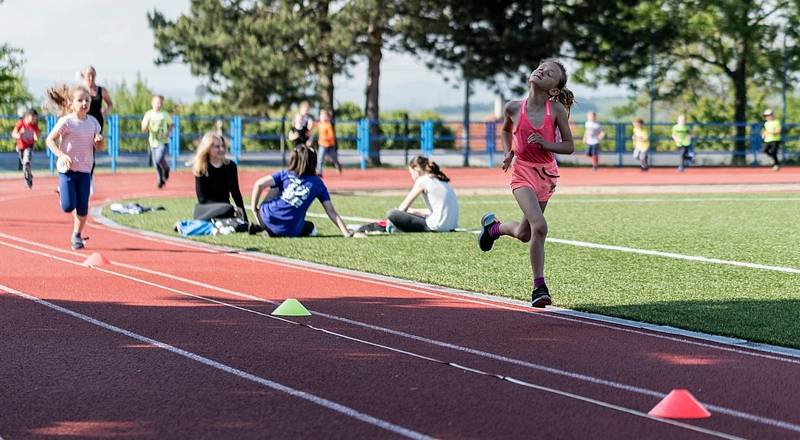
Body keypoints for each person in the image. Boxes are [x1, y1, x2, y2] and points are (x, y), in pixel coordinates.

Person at [477, 59, 575, 308]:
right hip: (522, 173)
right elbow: (505, 131)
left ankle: (493, 229)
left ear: (553, 90)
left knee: (525, 234)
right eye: (541, 67)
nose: (542, 70)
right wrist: (508, 152)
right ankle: (539, 287)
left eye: (550, 72)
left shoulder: (556, 111)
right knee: (540, 226)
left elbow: (569, 146)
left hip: (547, 176)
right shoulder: (513, 107)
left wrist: (545, 144)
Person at [45, 85, 104, 249]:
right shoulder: (66, 121)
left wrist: (99, 142)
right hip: (67, 170)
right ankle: (63, 193)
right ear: (71, 103)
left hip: (85, 170)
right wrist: (61, 155)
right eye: (80, 100)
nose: (84, 103)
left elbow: (99, 147)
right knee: (68, 206)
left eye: (87, 100)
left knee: (83, 207)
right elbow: (49, 140)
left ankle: (76, 235)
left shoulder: (93, 123)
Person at [249, 145, 351, 238]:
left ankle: (263, 227)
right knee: (309, 227)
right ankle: (272, 230)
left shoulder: (284, 174)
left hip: (266, 219)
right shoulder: (318, 183)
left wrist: (254, 209)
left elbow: (259, 184)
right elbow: (331, 211)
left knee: (275, 186)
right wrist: (346, 232)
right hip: (291, 230)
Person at [386, 156, 458, 233]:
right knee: (411, 214)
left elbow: (403, 207)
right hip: (451, 226)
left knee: (392, 213)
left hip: (437, 226)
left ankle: (397, 228)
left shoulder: (422, 180)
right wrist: (414, 211)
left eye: (411, 173)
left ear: (416, 170)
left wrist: (392, 220)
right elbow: (437, 210)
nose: (412, 177)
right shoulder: (441, 179)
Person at [192, 132, 248, 223]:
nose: (221, 149)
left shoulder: (231, 166)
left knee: (230, 210)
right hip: (205, 210)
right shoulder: (201, 168)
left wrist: (245, 218)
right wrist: (226, 208)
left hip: (226, 209)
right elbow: (202, 199)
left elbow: (236, 193)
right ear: (208, 148)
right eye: (217, 147)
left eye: (222, 146)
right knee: (229, 209)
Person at [141, 95, 172, 188]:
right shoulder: (148, 114)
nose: (159, 104)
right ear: (152, 103)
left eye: (161, 103)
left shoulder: (164, 114)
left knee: (159, 159)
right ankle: (160, 180)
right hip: (152, 142)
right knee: (156, 163)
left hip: (163, 141)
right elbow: (143, 128)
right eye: (157, 102)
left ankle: (166, 169)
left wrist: (167, 133)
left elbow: (171, 125)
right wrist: (146, 126)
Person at [11, 109, 40, 188]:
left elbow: (37, 136)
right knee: (24, 164)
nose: (34, 119)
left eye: (35, 118)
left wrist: (36, 136)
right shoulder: (21, 123)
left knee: (26, 162)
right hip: (20, 147)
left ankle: (28, 180)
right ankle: (29, 176)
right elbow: (13, 134)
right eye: (33, 117)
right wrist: (19, 134)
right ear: (28, 116)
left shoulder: (35, 125)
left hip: (29, 146)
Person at [316, 109, 342, 176]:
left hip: (330, 145)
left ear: (328, 117)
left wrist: (325, 138)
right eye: (322, 116)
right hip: (322, 145)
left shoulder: (328, 125)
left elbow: (331, 135)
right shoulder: (319, 124)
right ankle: (319, 172)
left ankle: (338, 166)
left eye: (324, 116)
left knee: (334, 159)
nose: (323, 117)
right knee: (320, 158)